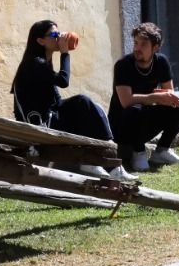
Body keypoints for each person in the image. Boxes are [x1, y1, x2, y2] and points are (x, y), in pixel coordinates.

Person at [12, 19, 134, 180]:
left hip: (49, 118)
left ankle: (101, 161)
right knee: (82, 103)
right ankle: (105, 164)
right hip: (40, 125)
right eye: (54, 34)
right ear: (41, 41)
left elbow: (55, 98)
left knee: (88, 106)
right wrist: (65, 53)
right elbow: (63, 81)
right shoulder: (35, 63)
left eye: (58, 32)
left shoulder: (43, 62)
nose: (59, 37)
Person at [108, 22, 179, 172]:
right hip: (122, 126)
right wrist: (155, 97)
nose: (137, 48)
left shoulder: (161, 62)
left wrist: (166, 98)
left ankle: (162, 151)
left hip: (145, 119)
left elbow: (170, 94)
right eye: (135, 43)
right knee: (134, 109)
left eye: (143, 44)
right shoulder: (123, 65)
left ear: (155, 48)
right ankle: (138, 152)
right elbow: (126, 101)